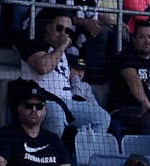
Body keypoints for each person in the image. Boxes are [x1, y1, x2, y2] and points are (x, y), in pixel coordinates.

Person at [19, 9, 110, 138]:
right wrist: (61, 47)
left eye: (68, 31)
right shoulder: (34, 44)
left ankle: (80, 155)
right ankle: (52, 154)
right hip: (43, 101)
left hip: (69, 102)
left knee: (102, 117)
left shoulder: (64, 54)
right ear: (48, 27)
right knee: (57, 114)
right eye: (59, 28)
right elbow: (42, 67)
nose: (63, 34)